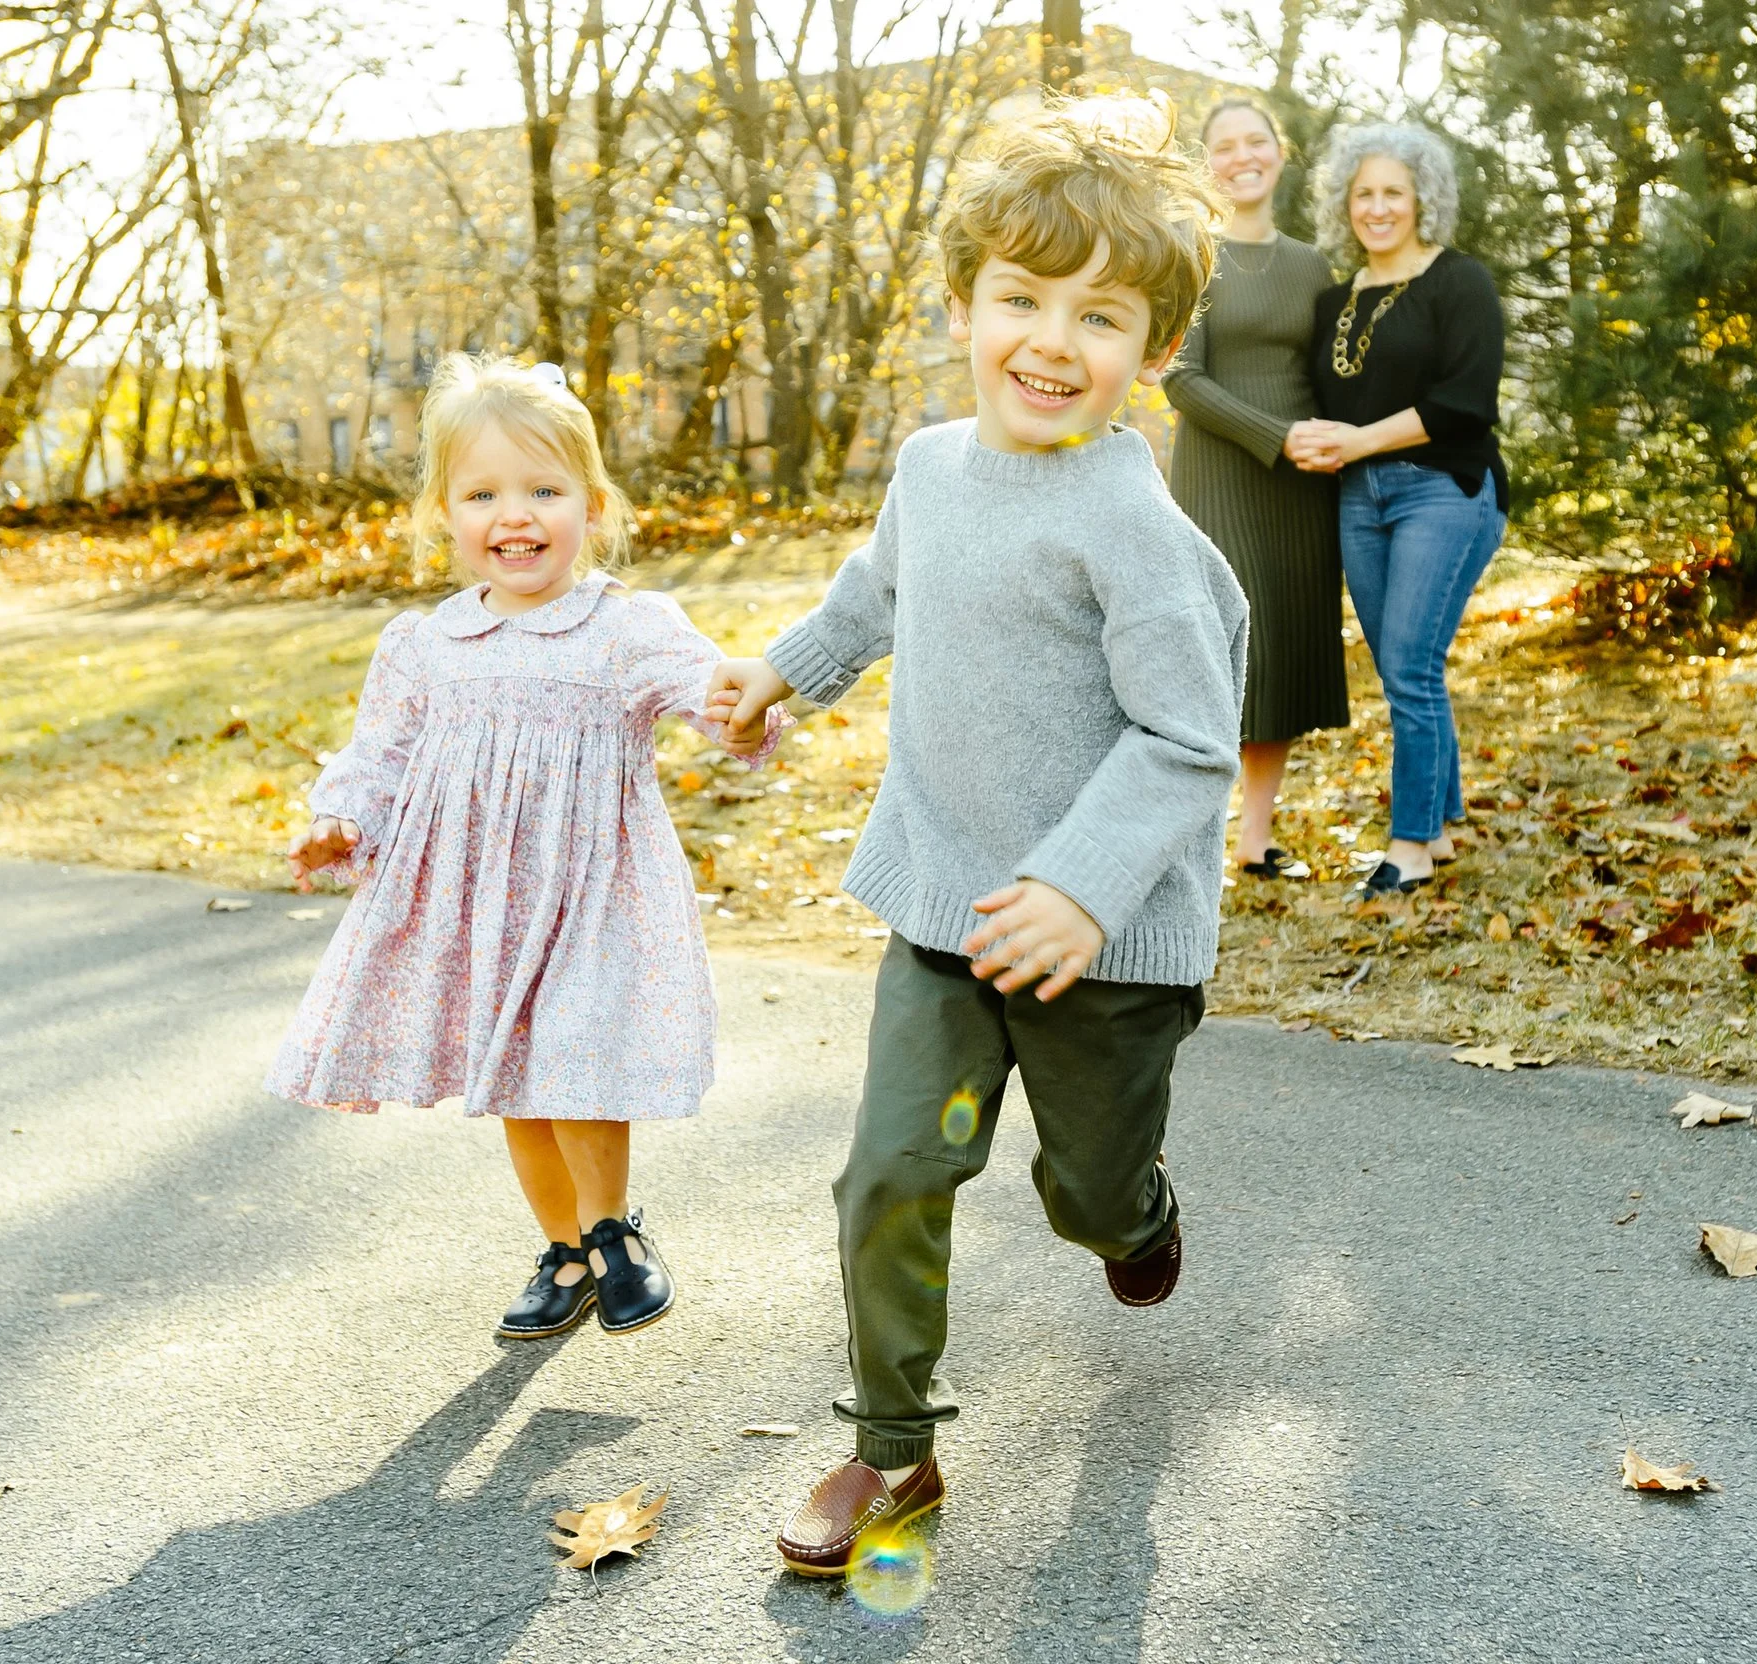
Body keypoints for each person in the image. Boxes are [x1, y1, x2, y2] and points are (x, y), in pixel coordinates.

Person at [706, 96, 1244, 1579]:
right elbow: (879, 591)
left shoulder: (1137, 530)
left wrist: (1080, 887)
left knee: (1081, 1196)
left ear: (1157, 351)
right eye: (1020, 297)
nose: (1051, 342)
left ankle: (1134, 1213)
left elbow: (1191, 738)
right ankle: (893, 1449)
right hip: (945, 914)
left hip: (1103, 953)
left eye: (1101, 315)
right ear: (963, 305)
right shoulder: (932, 468)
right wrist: (786, 671)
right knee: (893, 1172)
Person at [268, 353, 779, 1343]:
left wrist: (747, 714)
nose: (517, 514)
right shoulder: (425, 644)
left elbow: (712, 697)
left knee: (577, 1057)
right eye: (484, 493)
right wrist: (341, 820)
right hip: (481, 900)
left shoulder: (626, 626)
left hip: (595, 892)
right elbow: (382, 751)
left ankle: (613, 1229)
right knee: (519, 1081)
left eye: (544, 490)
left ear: (591, 505)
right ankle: (567, 1250)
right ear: (444, 515)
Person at [1290, 123, 1508, 900]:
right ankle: (1441, 825)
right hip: (1360, 497)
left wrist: (1354, 444)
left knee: (1412, 667)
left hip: (1443, 488)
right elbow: (1324, 402)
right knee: (1403, 671)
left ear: (1423, 200)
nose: (1377, 207)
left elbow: (1464, 403)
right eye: (1363, 194)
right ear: (1344, 205)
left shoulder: (1460, 282)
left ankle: (1409, 845)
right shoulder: (1333, 303)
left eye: (1393, 192)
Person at [1163, 95, 1348, 882]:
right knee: (1221, 653)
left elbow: (1331, 372)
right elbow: (1179, 375)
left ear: (1282, 152)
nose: (1242, 156)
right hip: (1220, 472)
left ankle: (1256, 839)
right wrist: (1276, 437)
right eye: (1225, 145)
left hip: (1303, 486)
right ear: (1208, 163)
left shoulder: (1311, 264)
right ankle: (1192, 833)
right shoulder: (1191, 252)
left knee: (1284, 645)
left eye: (1257, 141)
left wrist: (1343, 440)